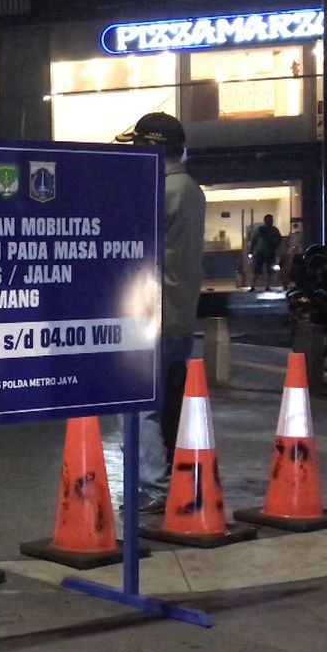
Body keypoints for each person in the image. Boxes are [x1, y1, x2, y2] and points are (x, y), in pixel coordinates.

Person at [116, 113, 206, 514]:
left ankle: (152, 487)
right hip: (181, 314)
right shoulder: (191, 189)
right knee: (169, 402)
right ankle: (171, 477)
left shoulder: (159, 192)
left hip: (152, 315)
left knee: (139, 405)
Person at [249, 214, 283, 292]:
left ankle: (254, 286)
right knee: (265, 271)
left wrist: (251, 250)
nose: (270, 222)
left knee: (260, 270)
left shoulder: (261, 229)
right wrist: (275, 246)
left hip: (262, 251)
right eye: (270, 220)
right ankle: (263, 286)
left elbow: (254, 240)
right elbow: (279, 239)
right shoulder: (272, 230)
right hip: (266, 252)